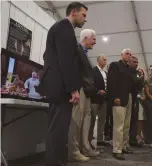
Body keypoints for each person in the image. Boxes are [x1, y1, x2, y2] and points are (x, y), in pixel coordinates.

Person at [36, 2, 87, 166]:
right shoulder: (64, 28)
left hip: (56, 85)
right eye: (83, 15)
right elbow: (66, 61)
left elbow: (49, 57)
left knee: (56, 128)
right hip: (60, 87)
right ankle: (55, 162)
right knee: (59, 128)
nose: (85, 19)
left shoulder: (59, 28)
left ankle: (55, 161)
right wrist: (73, 89)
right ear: (74, 12)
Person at [68, 29, 100, 162]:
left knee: (86, 120)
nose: (95, 41)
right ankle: (73, 151)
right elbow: (72, 70)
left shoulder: (85, 53)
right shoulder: (76, 50)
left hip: (87, 91)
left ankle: (85, 147)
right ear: (86, 38)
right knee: (76, 121)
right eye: (93, 39)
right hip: (79, 89)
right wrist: (74, 89)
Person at [107, 48, 135, 160]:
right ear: (121, 55)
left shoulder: (129, 69)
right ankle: (117, 150)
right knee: (119, 125)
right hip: (118, 97)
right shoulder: (115, 65)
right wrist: (114, 96)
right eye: (127, 54)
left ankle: (124, 146)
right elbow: (111, 81)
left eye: (130, 54)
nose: (129, 56)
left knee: (126, 125)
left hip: (128, 97)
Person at [89, 55, 108, 147]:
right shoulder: (93, 71)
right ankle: (88, 140)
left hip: (104, 99)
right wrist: (97, 90)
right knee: (92, 120)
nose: (105, 61)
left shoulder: (105, 73)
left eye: (106, 60)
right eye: (104, 60)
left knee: (102, 120)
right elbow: (90, 83)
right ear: (98, 60)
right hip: (95, 98)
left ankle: (100, 139)